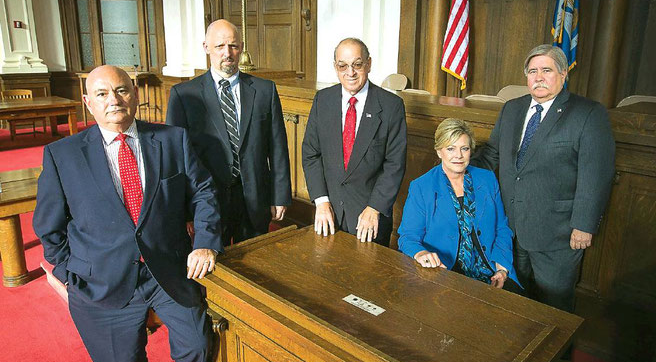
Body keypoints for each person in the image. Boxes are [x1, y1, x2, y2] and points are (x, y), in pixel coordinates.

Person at [33, 66, 223, 362]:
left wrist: (204, 243)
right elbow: (48, 229)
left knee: (198, 339)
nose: (113, 101)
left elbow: (204, 192)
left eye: (120, 91)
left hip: (167, 269)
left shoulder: (172, 139)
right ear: (87, 102)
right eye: (101, 94)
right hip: (100, 279)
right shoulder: (62, 155)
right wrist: (71, 274)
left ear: (135, 94)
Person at [471, 44, 615, 312]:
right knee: (513, 302)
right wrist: (458, 172)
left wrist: (584, 225)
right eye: (532, 71)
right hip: (510, 228)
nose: (538, 77)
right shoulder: (512, 109)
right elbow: (492, 154)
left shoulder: (587, 113)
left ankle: (559, 356)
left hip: (557, 233)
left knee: (555, 307)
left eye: (546, 70)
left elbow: (596, 173)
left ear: (563, 74)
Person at [166, 19, 291, 245]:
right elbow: (175, 160)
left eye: (233, 46)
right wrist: (184, 210)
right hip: (207, 202)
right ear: (206, 47)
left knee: (256, 265)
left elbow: (278, 146)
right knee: (215, 269)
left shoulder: (265, 90)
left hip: (255, 199)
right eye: (220, 46)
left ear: (241, 47)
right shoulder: (183, 95)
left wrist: (280, 195)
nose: (228, 53)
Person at [302, 37, 407, 246]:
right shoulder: (323, 100)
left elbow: (394, 164)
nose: (350, 72)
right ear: (335, 67)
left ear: (368, 64)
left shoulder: (391, 106)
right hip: (328, 214)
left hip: (369, 218)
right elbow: (311, 153)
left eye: (357, 64)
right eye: (343, 66)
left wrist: (374, 207)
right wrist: (321, 201)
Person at [398, 118, 521, 292]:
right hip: (444, 273)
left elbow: (502, 228)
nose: (459, 156)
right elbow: (407, 238)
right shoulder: (421, 186)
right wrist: (421, 254)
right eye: (451, 149)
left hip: (490, 270)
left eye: (464, 148)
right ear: (439, 151)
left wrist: (502, 269)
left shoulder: (487, 179)